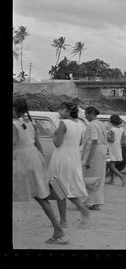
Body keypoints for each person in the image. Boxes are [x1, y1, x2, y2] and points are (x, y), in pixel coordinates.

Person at [13, 97, 68, 245]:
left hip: (23, 163)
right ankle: (58, 229)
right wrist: (42, 163)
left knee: (41, 197)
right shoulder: (30, 123)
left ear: (15, 109)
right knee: (41, 197)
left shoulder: (15, 125)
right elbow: (37, 145)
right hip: (34, 160)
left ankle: (58, 229)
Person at [48, 102, 90, 227]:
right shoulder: (80, 124)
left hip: (62, 158)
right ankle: (82, 210)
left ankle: (63, 221)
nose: (58, 111)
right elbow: (80, 142)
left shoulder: (63, 123)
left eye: (61, 109)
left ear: (67, 111)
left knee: (60, 190)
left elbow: (57, 143)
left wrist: (53, 135)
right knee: (67, 189)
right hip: (74, 158)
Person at [81, 106, 108, 210]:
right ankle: (97, 202)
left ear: (91, 113)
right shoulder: (101, 124)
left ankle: (90, 202)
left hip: (95, 152)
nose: (85, 116)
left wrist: (88, 160)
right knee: (99, 177)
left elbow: (94, 141)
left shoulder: (92, 125)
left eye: (86, 114)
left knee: (89, 176)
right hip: (102, 151)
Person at [106, 114, 126, 186]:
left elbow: (111, 140)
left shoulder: (112, 130)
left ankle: (122, 177)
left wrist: (105, 136)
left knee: (111, 166)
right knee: (112, 164)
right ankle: (112, 180)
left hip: (112, 148)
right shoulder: (121, 129)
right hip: (117, 148)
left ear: (112, 121)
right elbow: (124, 139)